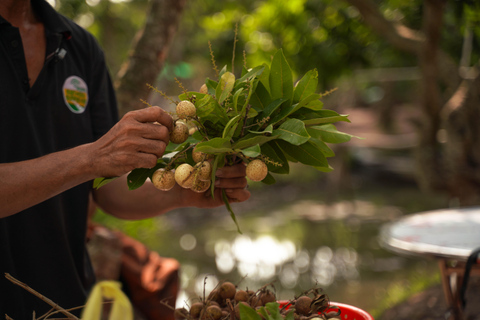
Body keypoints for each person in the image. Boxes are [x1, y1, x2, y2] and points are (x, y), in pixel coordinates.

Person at [0, 0, 251, 318]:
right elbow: (95, 162)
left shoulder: (77, 45)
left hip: (64, 304)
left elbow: (105, 188)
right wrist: (93, 156)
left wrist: (183, 188)